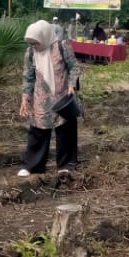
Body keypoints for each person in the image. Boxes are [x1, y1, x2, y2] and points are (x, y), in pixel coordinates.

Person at [18, 21, 80, 177]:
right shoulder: (31, 53)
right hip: (41, 98)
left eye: (36, 42)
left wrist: (72, 84)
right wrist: (25, 97)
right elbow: (28, 76)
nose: (34, 46)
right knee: (38, 131)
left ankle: (65, 165)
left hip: (62, 95)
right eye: (30, 43)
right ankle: (33, 166)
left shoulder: (61, 47)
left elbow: (74, 66)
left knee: (65, 130)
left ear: (44, 37)